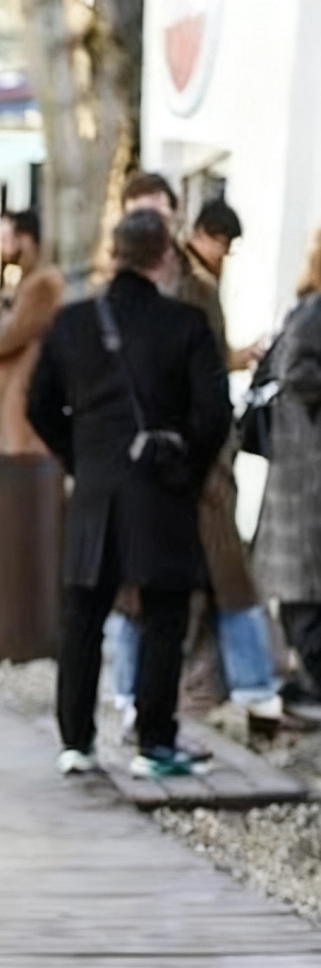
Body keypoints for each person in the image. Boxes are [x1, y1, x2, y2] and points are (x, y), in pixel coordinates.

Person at [28, 208, 231, 779]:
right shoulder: (186, 323)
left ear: (114, 254)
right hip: (162, 491)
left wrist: (81, 457)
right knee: (165, 614)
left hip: (94, 491)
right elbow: (215, 414)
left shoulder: (72, 323)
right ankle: (154, 741)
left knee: (83, 616)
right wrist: (185, 466)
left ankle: (76, 742)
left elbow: (38, 406)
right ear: (165, 256)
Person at [171, 198, 281, 721]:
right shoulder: (195, 285)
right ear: (210, 236)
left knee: (213, 580)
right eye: (226, 245)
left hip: (198, 456)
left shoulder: (186, 278)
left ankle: (229, 685)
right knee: (227, 577)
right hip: (206, 457)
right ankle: (253, 684)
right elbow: (207, 368)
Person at [252, 230, 321, 691]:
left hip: (301, 464)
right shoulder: (313, 312)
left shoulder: (307, 308)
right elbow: (298, 375)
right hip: (305, 467)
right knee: (304, 589)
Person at [0, 210, 65, 457]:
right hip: (17, 389)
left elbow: (15, 334)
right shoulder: (22, 283)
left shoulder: (43, 284)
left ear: (26, 239)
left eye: (8, 239)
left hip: (27, 389)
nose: (4, 248)